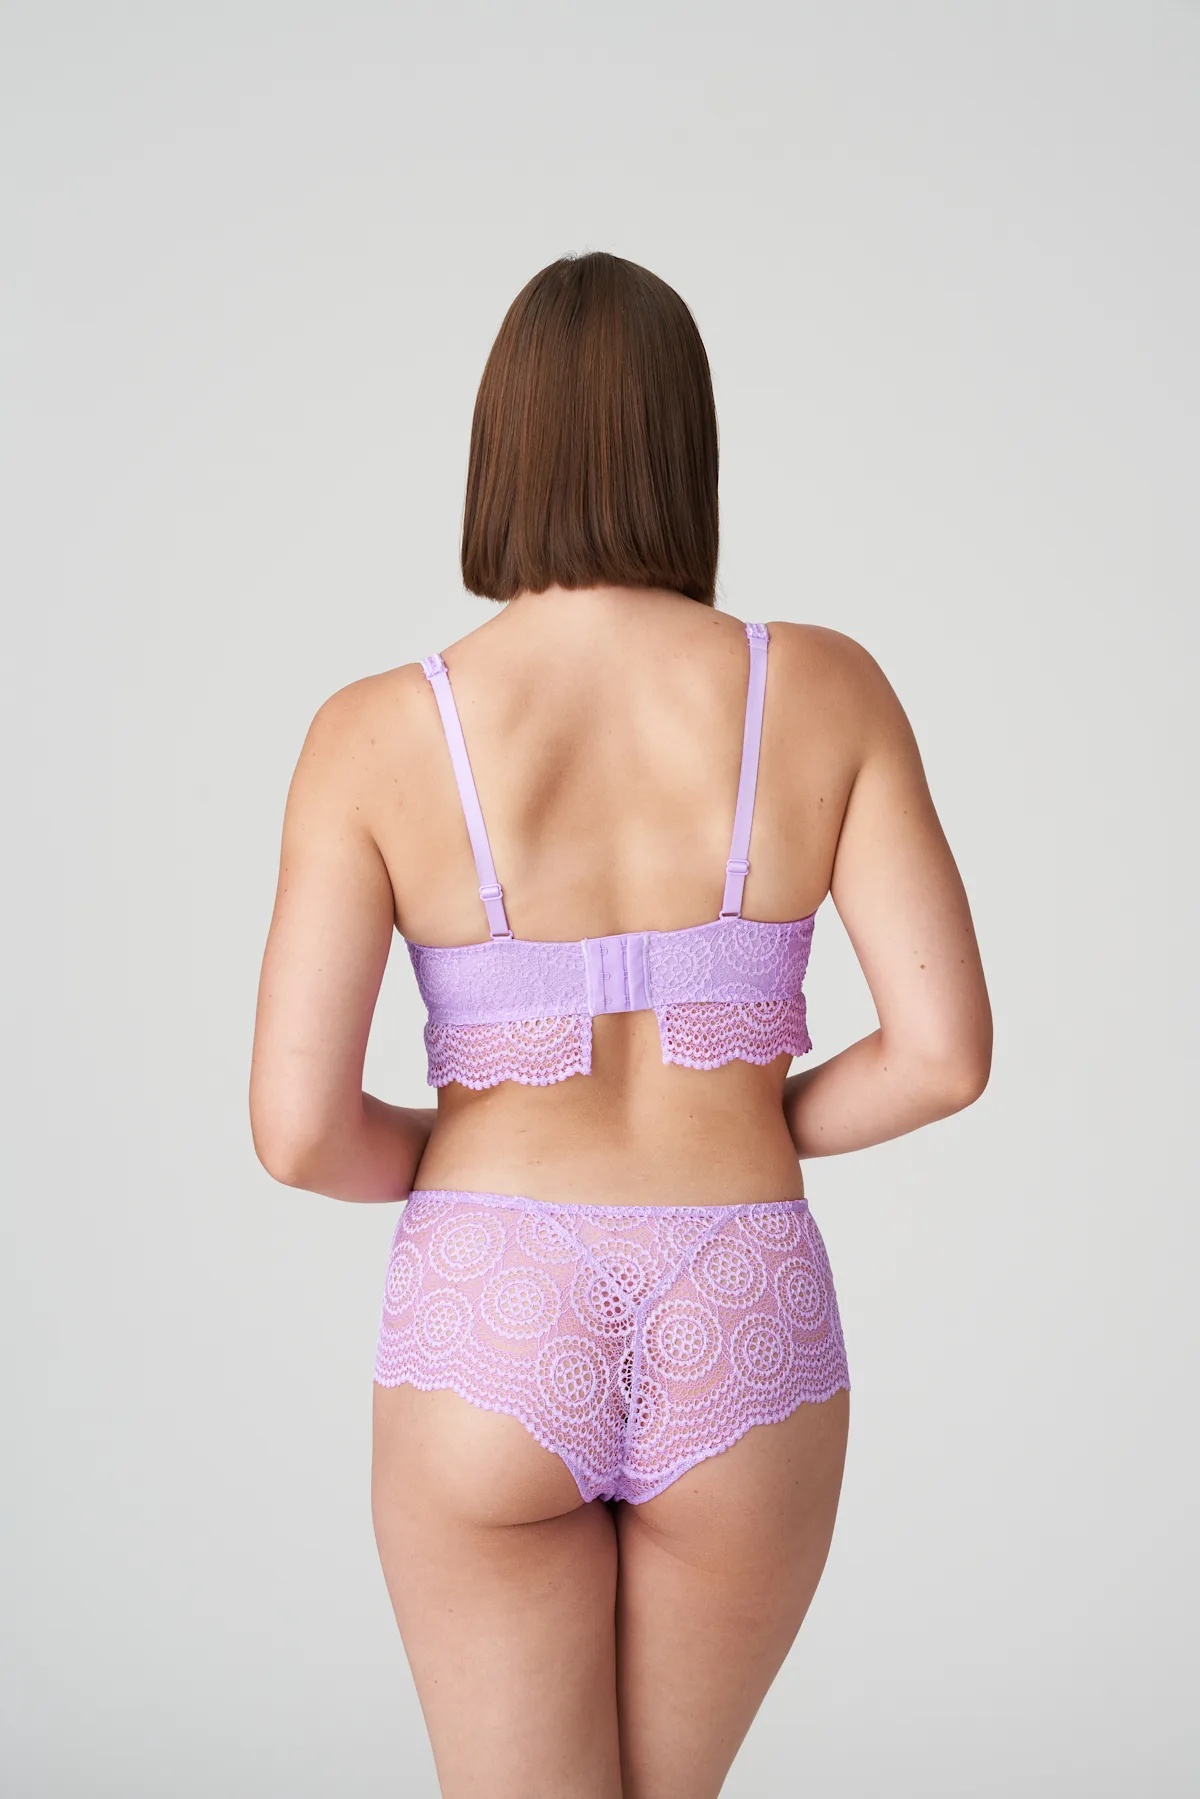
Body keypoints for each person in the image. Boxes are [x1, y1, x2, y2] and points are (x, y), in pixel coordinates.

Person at [250, 251, 992, 1799]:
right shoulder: (826, 689)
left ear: (501, 449)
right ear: (683, 446)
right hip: (743, 1293)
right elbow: (943, 1054)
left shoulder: (376, 732)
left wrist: (459, 1150)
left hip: (492, 1303)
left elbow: (298, 1129)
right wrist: (758, 1119)